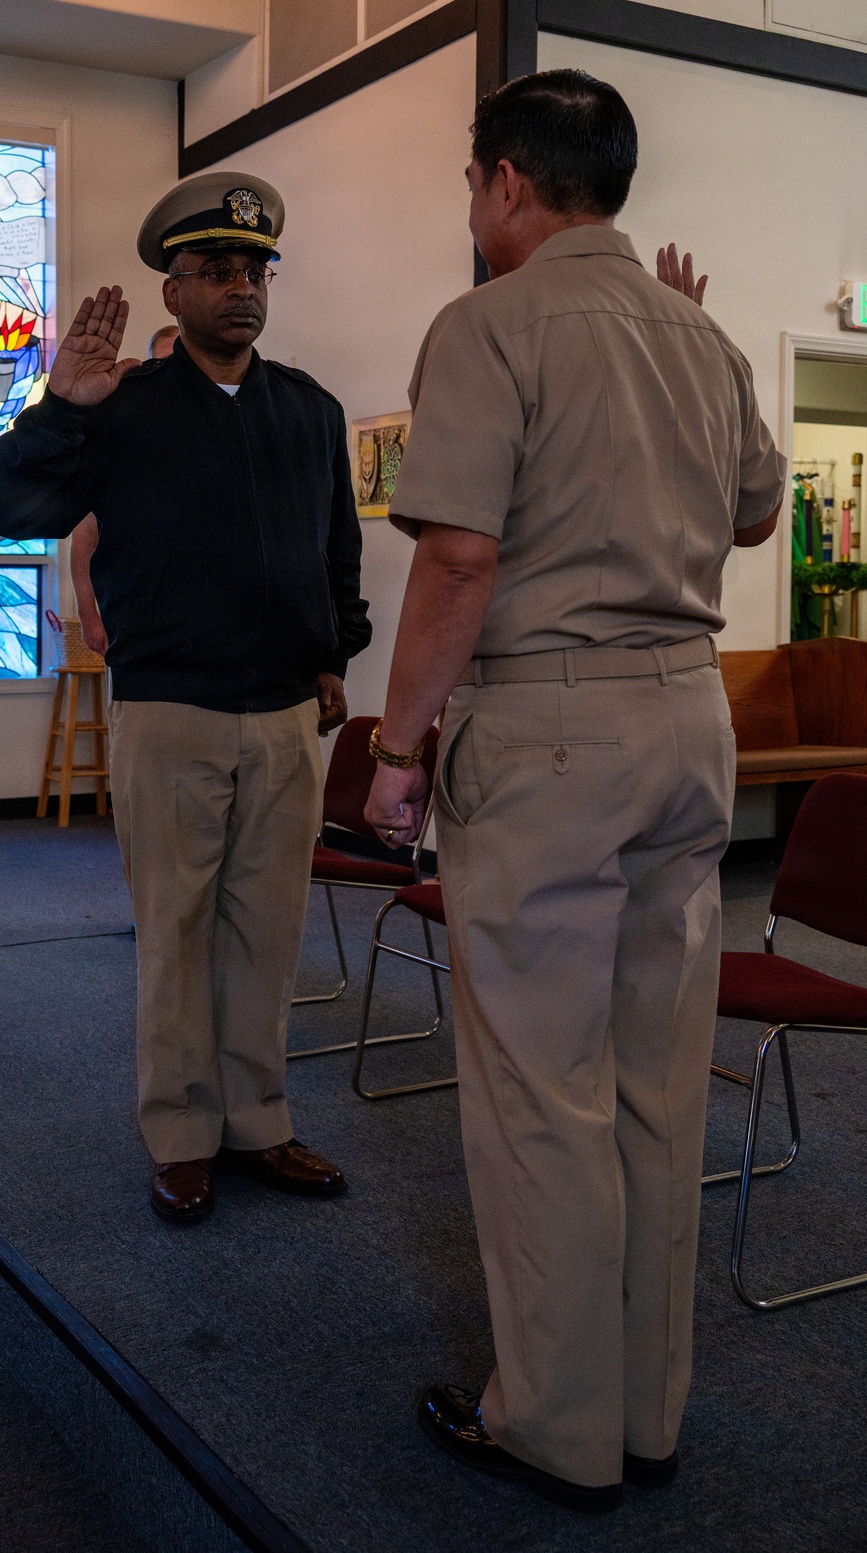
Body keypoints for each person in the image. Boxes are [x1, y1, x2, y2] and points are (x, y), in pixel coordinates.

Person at [365, 70, 784, 1513]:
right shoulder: (700, 335)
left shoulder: (490, 323)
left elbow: (459, 559)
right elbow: (756, 509)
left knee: (542, 1094)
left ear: (503, 184)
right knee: (660, 1084)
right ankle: (647, 1412)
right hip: (687, 718)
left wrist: (402, 749)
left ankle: (554, 1423)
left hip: (550, 734)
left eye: (474, 187)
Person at [0, 171, 371, 1223]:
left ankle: (259, 1120)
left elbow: (338, 549)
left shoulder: (308, 408)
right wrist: (61, 406)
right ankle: (182, 1132)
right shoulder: (122, 410)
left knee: (267, 932)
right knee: (177, 930)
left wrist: (339, 652)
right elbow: (11, 505)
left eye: (255, 268)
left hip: (287, 716)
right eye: (215, 270)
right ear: (174, 292)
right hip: (172, 714)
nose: (240, 286)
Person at [69, 323, 178, 655]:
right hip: (136, 622)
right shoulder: (121, 434)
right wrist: (90, 618)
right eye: (161, 363)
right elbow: (85, 537)